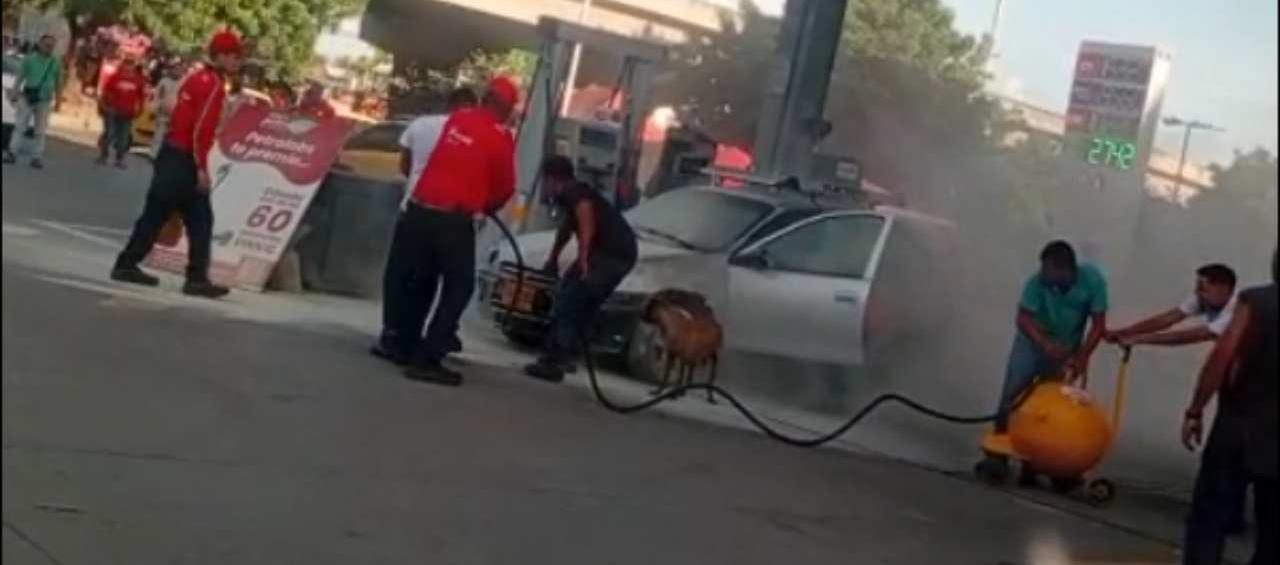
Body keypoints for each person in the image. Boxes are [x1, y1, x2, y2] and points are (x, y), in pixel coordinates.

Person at [393, 77, 519, 386]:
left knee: (421, 279)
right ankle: (429, 356)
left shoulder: (458, 120)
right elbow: (505, 187)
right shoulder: (500, 137)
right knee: (459, 286)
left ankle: (405, 344)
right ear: (504, 107)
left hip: (419, 210)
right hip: (453, 218)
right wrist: (486, 205)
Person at [110, 30, 244, 299]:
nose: (237, 62)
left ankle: (141, 266)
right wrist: (201, 168)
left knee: (187, 217)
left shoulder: (195, 78)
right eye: (234, 56)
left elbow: (179, 117)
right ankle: (188, 277)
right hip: (184, 160)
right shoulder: (214, 85)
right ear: (220, 55)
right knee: (186, 217)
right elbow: (200, 131)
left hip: (172, 154)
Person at [983, 240, 1109, 481]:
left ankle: (1035, 462)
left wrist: (1082, 357)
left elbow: (1098, 325)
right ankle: (997, 455)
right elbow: (1023, 318)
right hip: (1032, 345)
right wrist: (1045, 344)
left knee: (1047, 406)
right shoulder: (1036, 283)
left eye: (1048, 269)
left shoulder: (1093, 282)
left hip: (1066, 349)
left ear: (1065, 270)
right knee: (1012, 395)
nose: (1042, 273)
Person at [369, 88, 477, 366]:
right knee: (431, 281)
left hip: (414, 207)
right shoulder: (472, 135)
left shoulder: (421, 125)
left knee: (400, 275)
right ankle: (421, 337)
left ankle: (393, 334)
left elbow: (405, 165)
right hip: (452, 215)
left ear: (448, 103)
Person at [1181, 250, 1277, 565]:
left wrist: (1196, 409)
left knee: (1209, 520)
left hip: (1237, 425)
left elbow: (1223, 354)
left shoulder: (1255, 302)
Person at [523, 156, 638, 383]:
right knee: (578, 299)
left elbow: (585, 218)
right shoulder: (572, 195)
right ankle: (567, 354)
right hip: (619, 253)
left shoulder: (575, 192)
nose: (544, 188)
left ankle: (554, 361)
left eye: (545, 182)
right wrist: (553, 259)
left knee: (569, 301)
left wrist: (584, 258)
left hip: (609, 255)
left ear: (552, 179)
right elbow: (566, 229)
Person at [1108, 264, 1238, 348]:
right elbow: (1166, 319)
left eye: (1203, 289)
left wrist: (1139, 339)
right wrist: (1124, 332)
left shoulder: (1236, 308)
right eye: (1197, 288)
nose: (1197, 293)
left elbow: (1193, 336)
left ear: (1224, 290)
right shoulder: (1203, 298)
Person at [3, 34, 63, 169]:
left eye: (52, 46)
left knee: (40, 130)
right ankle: (12, 153)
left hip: (45, 100)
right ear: (40, 45)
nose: (49, 48)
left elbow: (59, 82)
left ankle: (36, 157)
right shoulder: (29, 60)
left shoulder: (56, 62)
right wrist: (14, 92)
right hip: (28, 98)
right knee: (20, 126)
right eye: (47, 45)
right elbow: (20, 77)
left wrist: (59, 100)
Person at [96, 57, 147, 169]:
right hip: (112, 110)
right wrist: (103, 105)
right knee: (109, 134)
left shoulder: (138, 80)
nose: (128, 66)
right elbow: (105, 91)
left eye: (131, 64)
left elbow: (142, 97)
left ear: (134, 66)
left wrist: (140, 109)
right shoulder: (115, 77)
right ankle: (103, 156)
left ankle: (120, 159)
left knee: (123, 137)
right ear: (123, 64)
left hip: (128, 112)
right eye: (126, 64)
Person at [150, 59, 184, 158]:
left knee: (171, 137)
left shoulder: (183, 82)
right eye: (175, 69)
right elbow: (158, 96)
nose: (176, 71)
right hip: (163, 113)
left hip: (176, 114)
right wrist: (154, 108)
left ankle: (165, 156)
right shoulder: (164, 81)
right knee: (159, 134)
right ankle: (154, 155)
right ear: (171, 70)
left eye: (179, 69)